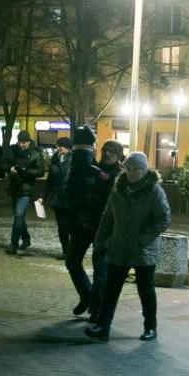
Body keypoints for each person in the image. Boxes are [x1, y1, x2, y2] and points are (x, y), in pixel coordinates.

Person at [85, 152, 171, 341]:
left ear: (144, 170)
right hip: (118, 246)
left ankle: (150, 327)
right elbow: (107, 218)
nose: (132, 173)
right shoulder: (118, 189)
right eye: (129, 169)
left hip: (143, 251)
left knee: (145, 290)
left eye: (137, 169)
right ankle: (103, 326)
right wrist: (100, 242)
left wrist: (143, 239)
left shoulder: (154, 191)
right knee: (111, 289)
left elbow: (163, 218)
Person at [65, 134, 125, 320]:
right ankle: (87, 295)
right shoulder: (91, 169)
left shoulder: (120, 177)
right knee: (72, 261)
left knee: (101, 270)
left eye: (112, 152)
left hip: (104, 229)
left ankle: (97, 308)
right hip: (83, 225)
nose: (107, 154)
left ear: (118, 156)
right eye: (105, 150)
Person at [1, 130, 45, 255]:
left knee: (19, 215)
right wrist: (10, 169)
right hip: (14, 187)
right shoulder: (11, 150)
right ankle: (26, 238)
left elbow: (41, 170)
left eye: (24, 142)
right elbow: (2, 164)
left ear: (29, 141)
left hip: (26, 188)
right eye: (20, 142)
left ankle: (13, 244)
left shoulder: (36, 152)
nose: (22, 145)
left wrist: (25, 171)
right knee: (18, 216)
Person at [37, 137, 73, 259]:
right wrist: (42, 197)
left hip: (72, 200)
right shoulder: (55, 161)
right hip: (59, 200)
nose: (58, 148)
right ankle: (66, 251)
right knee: (62, 228)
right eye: (57, 146)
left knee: (72, 227)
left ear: (68, 148)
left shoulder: (75, 161)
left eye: (60, 146)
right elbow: (49, 183)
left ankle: (74, 252)